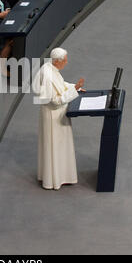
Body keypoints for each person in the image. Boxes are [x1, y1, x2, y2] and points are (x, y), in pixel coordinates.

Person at [33, 47, 85, 190]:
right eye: (65, 61)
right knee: (55, 146)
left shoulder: (50, 68)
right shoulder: (48, 75)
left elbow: (61, 85)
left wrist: (75, 87)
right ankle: (55, 179)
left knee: (58, 146)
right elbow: (55, 100)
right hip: (53, 116)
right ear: (58, 61)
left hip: (54, 114)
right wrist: (74, 91)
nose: (66, 63)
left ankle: (59, 176)